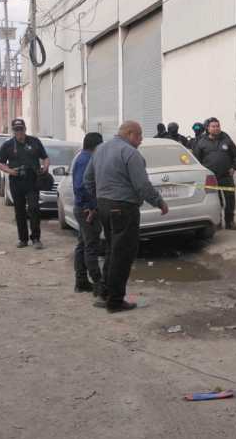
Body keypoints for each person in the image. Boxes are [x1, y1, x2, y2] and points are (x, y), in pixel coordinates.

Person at [84, 121, 169, 313]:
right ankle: (115, 301)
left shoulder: (100, 150)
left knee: (112, 250)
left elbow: (87, 179)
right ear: (130, 134)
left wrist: (100, 198)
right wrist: (159, 202)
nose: (141, 140)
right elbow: (142, 185)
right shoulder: (130, 153)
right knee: (122, 254)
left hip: (104, 206)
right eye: (139, 136)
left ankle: (105, 294)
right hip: (124, 208)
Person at [0, 118, 50, 249]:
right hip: (16, 181)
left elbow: (45, 157)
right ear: (13, 131)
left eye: (21, 129)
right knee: (19, 211)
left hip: (32, 180)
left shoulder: (34, 142)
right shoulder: (8, 145)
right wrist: (10, 171)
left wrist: (45, 167)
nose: (19, 132)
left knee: (34, 208)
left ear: (25, 129)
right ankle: (23, 239)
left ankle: (36, 238)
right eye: (16, 130)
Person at [71, 132, 105, 295]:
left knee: (83, 244)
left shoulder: (83, 158)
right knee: (91, 246)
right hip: (86, 209)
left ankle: (81, 281)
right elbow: (81, 186)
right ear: (97, 146)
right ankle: (98, 283)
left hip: (83, 207)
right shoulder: (86, 160)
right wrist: (90, 206)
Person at [193, 118, 236, 229]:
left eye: (217, 126)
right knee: (216, 200)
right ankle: (217, 222)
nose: (216, 128)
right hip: (211, 178)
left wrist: (234, 168)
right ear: (208, 128)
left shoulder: (226, 139)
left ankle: (230, 221)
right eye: (213, 126)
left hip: (226, 176)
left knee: (230, 199)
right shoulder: (201, 142)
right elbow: (197, 160)